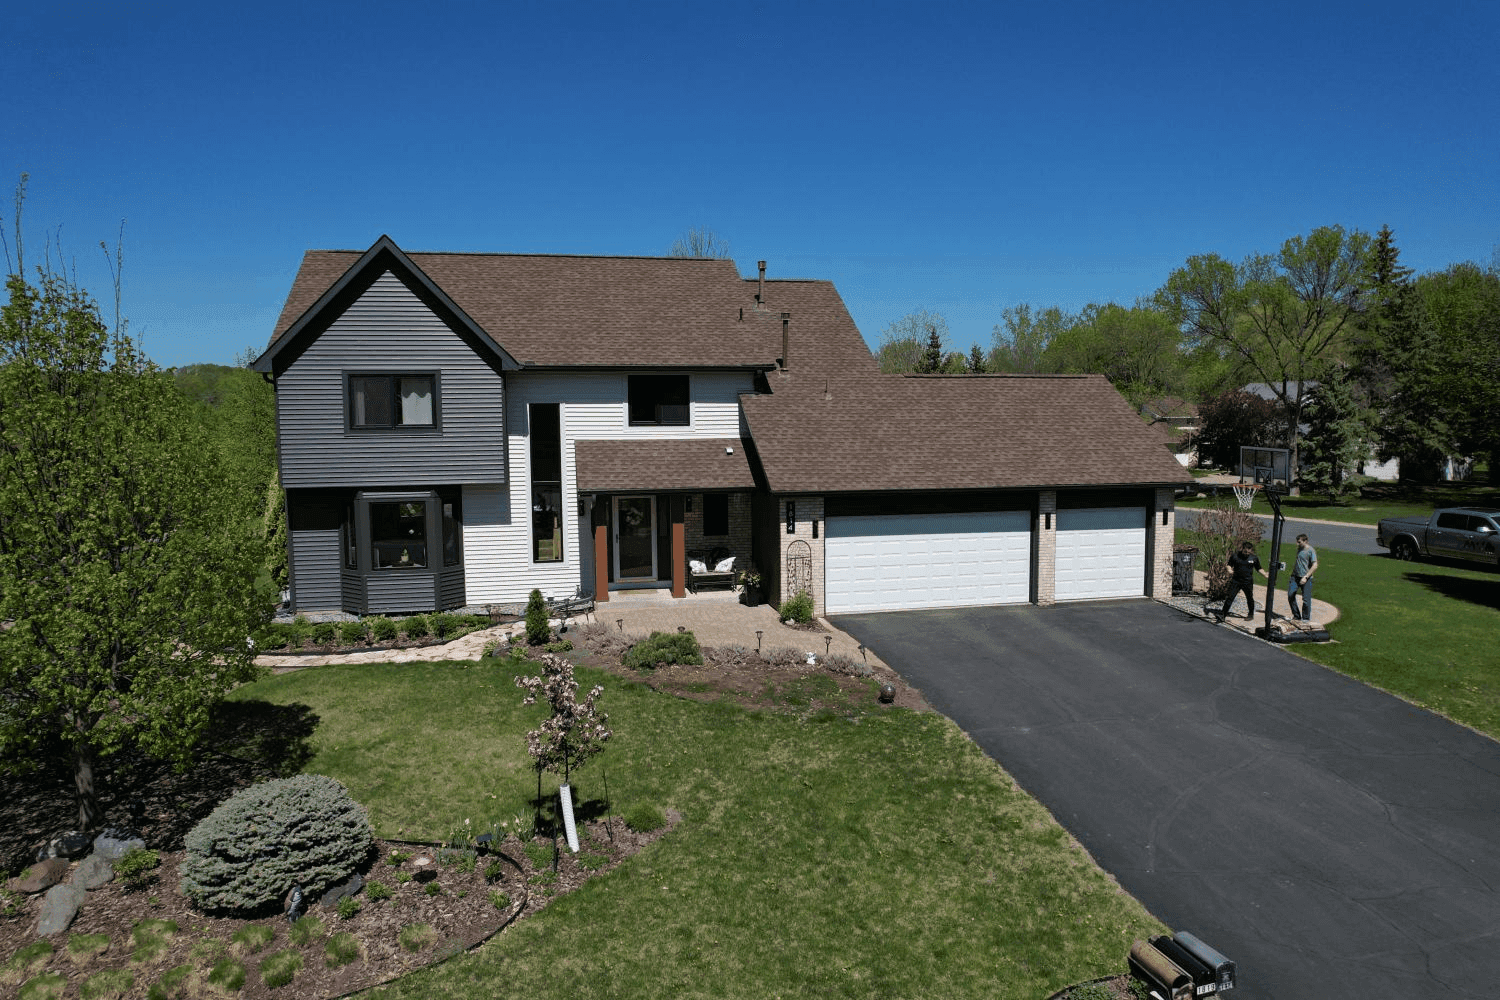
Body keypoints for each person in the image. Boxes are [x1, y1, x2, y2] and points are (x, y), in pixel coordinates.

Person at [1219, 541, 1266, 620]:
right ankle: (1222, 615)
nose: (1247, 553)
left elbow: (1259, 568)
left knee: (1249, 598)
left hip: (1247, 582)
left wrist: (1265, 574)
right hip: (1236, 581)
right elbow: (1229, 565)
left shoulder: (1253, 558)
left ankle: (1251, 614)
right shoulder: (1235, 556)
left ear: (1251, 551)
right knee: (1230, 597)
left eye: (1248, 552)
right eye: (1245, 551)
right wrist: (1229, 570)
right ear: (1242, 549)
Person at [1288, 533, 1318, 621]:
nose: (1297, 544)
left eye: (1299, 542)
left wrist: (1305, 577)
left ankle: (1305, 619)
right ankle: (1296, 616)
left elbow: (1315, 565)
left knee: (1306, 601)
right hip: (1295, 577)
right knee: (1290, 595)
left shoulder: (1311, 551)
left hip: (1306, 578)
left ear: (1305, 541)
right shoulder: (1299, 549)